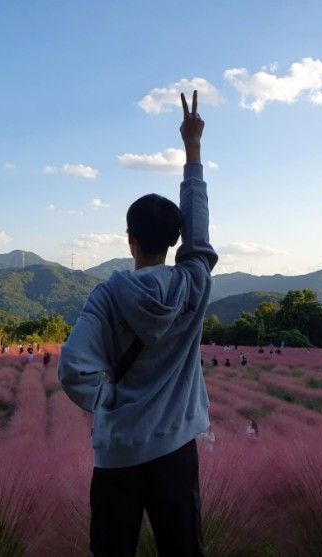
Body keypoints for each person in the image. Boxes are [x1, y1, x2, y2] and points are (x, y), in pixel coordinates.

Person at [58, 91, 214, 557]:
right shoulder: (194, 285)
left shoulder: (106, 295)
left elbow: (72, 370)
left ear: (129, 240)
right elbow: (201, 242)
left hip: (119, 455)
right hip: (176, 451)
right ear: (174, 240)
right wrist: (193, 153)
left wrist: (110, 403)